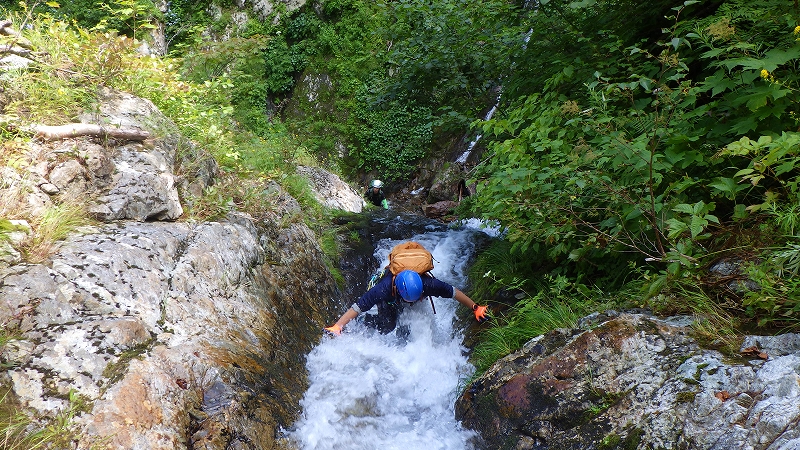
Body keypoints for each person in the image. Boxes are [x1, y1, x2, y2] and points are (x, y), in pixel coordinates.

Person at [324, 269, 489, 336]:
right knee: (388, 326)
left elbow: (454, 292)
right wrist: (338, 326)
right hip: (388, 300)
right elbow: (358, 306)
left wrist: (475, 307)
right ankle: (365, 322)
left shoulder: (429, 284)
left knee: (407, 328)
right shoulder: (383, 289)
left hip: (405, 294)